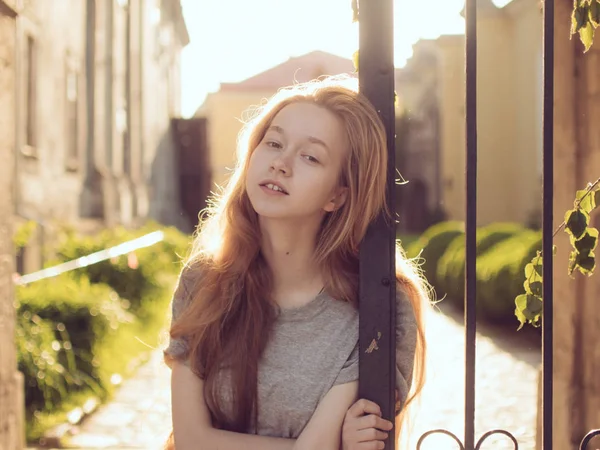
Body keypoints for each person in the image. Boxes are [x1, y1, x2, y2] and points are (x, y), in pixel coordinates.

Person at [163, 75, 429, 450]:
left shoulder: (377, 305)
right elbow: (191, 441)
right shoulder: (204, 281)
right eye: (273, 143)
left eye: (310, 156)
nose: (281, 164)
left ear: (337, 195)